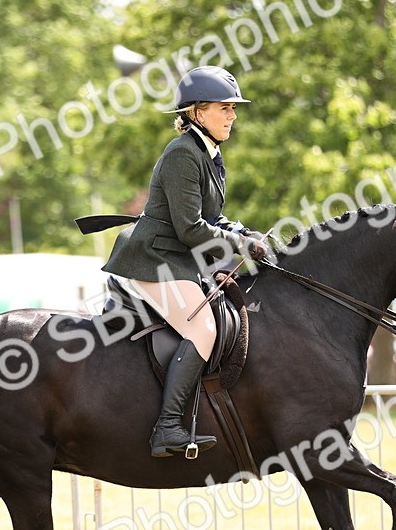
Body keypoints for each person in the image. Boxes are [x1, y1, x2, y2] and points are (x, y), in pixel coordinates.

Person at [96, 66, 269, 457]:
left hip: (176, 260)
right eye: (225, 108)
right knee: (203, 327)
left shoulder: (209, 153)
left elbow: (213, 218)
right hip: (153, 259)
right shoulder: (182, 154)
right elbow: (191, 229)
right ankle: (167, 427)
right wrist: (239, 244)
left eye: (233, 108)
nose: (233, 115)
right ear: (198, 111)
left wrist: (246, 233)